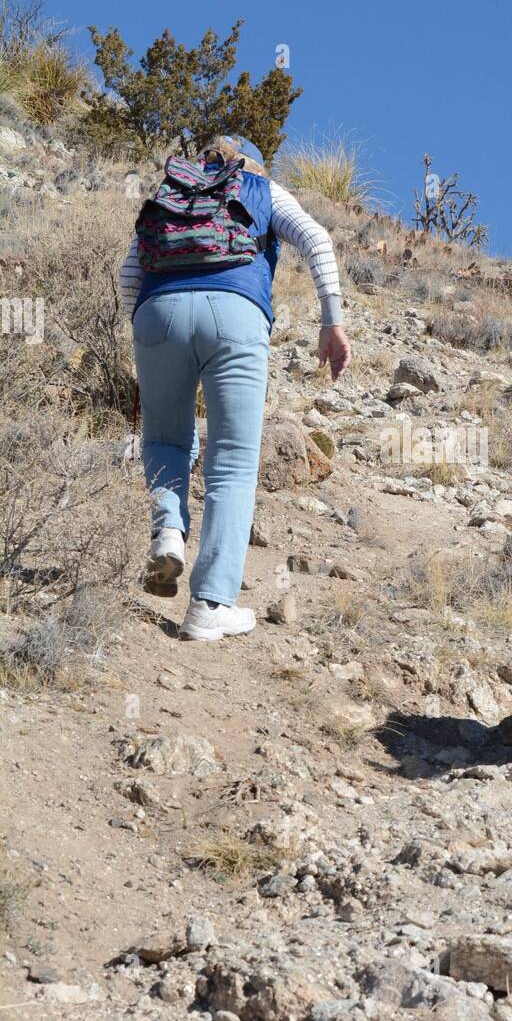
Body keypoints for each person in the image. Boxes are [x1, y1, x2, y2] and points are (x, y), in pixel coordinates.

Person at [119, 134, 350, 641]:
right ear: (253, 165)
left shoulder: (171, 191)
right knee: (233, 462)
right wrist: (331, 321)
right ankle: (209, 605)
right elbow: (317, 241)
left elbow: (130, 272)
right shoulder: (262, 189)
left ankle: (169, 533)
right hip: (236, 317)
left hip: (157, 316)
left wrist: (142, 332)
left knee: (164, 438)